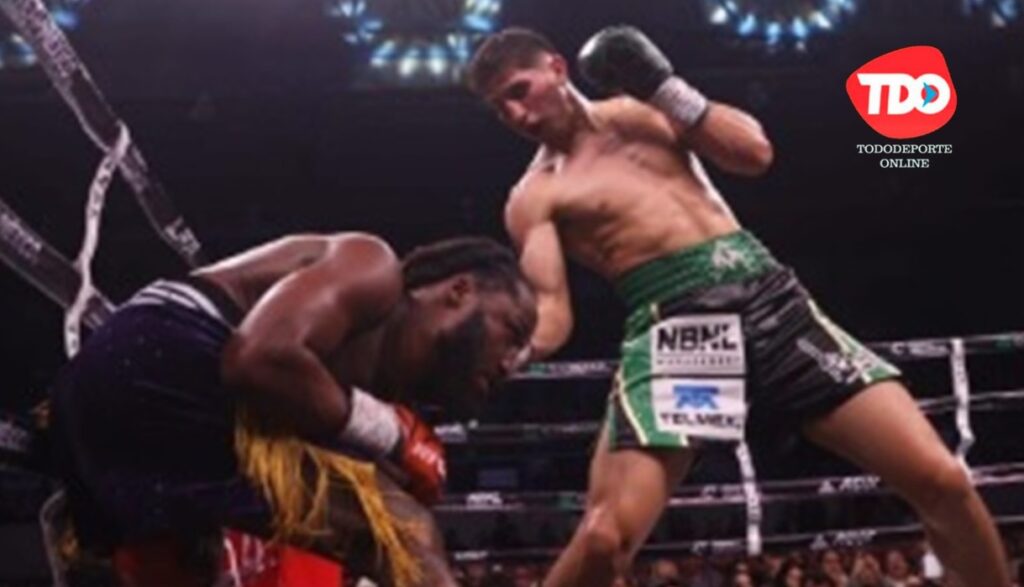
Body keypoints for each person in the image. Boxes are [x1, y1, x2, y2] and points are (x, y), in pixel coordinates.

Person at [466, 25, 1009, 587]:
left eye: (519, 90)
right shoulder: (536, 195)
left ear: (556, 68)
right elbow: (553, 308)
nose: (517, 114)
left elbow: (753, 154)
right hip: (679, 331)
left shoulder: (644, 110)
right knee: (605, 538)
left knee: (944, 481)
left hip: (770, 299)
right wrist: (517, 351)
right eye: (501, 108)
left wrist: (665, 87)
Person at [49, 233, 536, 587]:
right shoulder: (373, 269)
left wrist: (389, 443)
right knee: (403, 530)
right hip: (161, 357)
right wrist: (389, 433)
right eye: (513, 332)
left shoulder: (378, 385)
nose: (511, 364)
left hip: (100, 412)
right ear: (459, 291)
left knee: (192, 565)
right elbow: (258, 359)